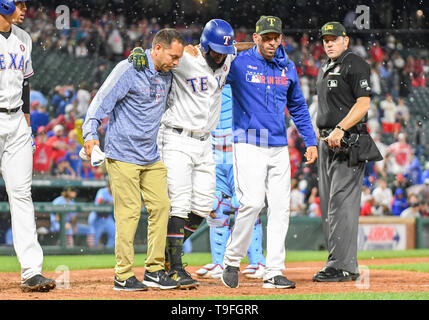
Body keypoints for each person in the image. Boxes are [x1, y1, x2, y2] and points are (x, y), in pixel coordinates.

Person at [130, 19, 254, 289]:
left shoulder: (227, 58)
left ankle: (164, 254)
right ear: (204, 45)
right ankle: (174, 268)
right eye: (216, 50)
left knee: (203, 205)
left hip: (204, 142)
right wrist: (139, 51)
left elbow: (237, 48)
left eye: (225, 50)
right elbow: (161, 53)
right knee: (180, 203)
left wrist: (255, 44)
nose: (221, 55)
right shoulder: (187, 57)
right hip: (176, 137)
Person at [82, 28, 185, 291]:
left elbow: (195, 55)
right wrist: (90, 133)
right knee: (128, 215)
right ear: (157, 48)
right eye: (173, 56)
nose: (176, 61)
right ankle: (123, 275)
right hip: (123, 155)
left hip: (150, 155)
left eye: (179, 57)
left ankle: (153, 270)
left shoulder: (168, 75)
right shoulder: (130, 68)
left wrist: (194, 49)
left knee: (162, 206)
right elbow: (100, 101)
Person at [221, 16, 318, 290]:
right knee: (252, 203)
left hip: (277, 146)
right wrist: (231, 48)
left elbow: (298, 106)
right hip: (248, 142)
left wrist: (310, 141)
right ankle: (231, 259)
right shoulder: (238, 63)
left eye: (276, 37)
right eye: (266, 37)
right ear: (255, 37)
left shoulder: (287, 66)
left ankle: (273, 271)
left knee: (280, 209)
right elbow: (212, 61)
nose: (272, 42)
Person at [312, 22, 381, 282]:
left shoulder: (355, 63)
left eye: (334, 39)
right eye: (325, 39)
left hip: (347, 141)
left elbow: (363, 103)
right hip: (327, 141)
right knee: (329, 204)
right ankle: (336, 262)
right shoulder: (324, 67)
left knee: (342, 204)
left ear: (345, 40)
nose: (329, 43)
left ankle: (344, 266)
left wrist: (340, 127)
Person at [0, 0, 56, 292]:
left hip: (16, 121)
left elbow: (24, 84)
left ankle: (32, 272)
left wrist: (27, 124)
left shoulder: (23, 38)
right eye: (19, 3)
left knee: (21, 194)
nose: (24, 9)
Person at [195, 85, 266, 280]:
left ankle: (258, 261)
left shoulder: (240, 78)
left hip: (238, 148)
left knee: (243, 206)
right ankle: (219, 262)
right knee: (217, 208)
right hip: (214, 150)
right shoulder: (204, 80)